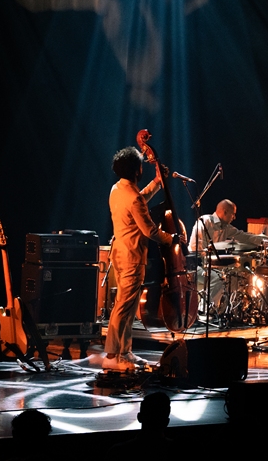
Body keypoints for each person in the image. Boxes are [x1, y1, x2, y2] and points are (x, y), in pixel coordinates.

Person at [105, 147, 174, 372]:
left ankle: (124, 351)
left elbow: (139, 200)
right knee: (123, 307)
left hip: (120, 253)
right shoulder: (132, 197)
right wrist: (170, 239)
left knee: (128, 306)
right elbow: (149, 230)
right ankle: (112, 355)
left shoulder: (117, 189)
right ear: (136, 170)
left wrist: (156, 182)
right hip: (132, 256)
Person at [190, 199, 268, 311]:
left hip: (211, 265)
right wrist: (210, 260)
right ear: (225, 212)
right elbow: (195, 249)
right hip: (195, 266)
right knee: (219, 278)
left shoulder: (226, 228)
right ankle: (204, 311)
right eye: (233, 214)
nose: (234, 217)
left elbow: (245, 236)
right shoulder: (205, 221)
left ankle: (225, 311)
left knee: (234, 276)